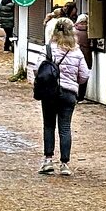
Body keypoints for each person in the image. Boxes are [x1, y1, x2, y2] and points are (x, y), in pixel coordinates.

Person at [38, 17, 90, 177]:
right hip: (69, 94)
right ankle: (65, 164)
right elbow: (84, 76)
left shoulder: (47, 50)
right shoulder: (77, 52)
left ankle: (48, 160)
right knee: (65, 127)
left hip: (49, 93)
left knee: (49, 126)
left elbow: (37, 70)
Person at [74, 13, 91, 101]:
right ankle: (81, 96)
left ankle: (74, 93)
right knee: (84, 74)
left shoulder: (73, 31)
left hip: (74, 55)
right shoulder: (90, 32)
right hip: (86, 55)